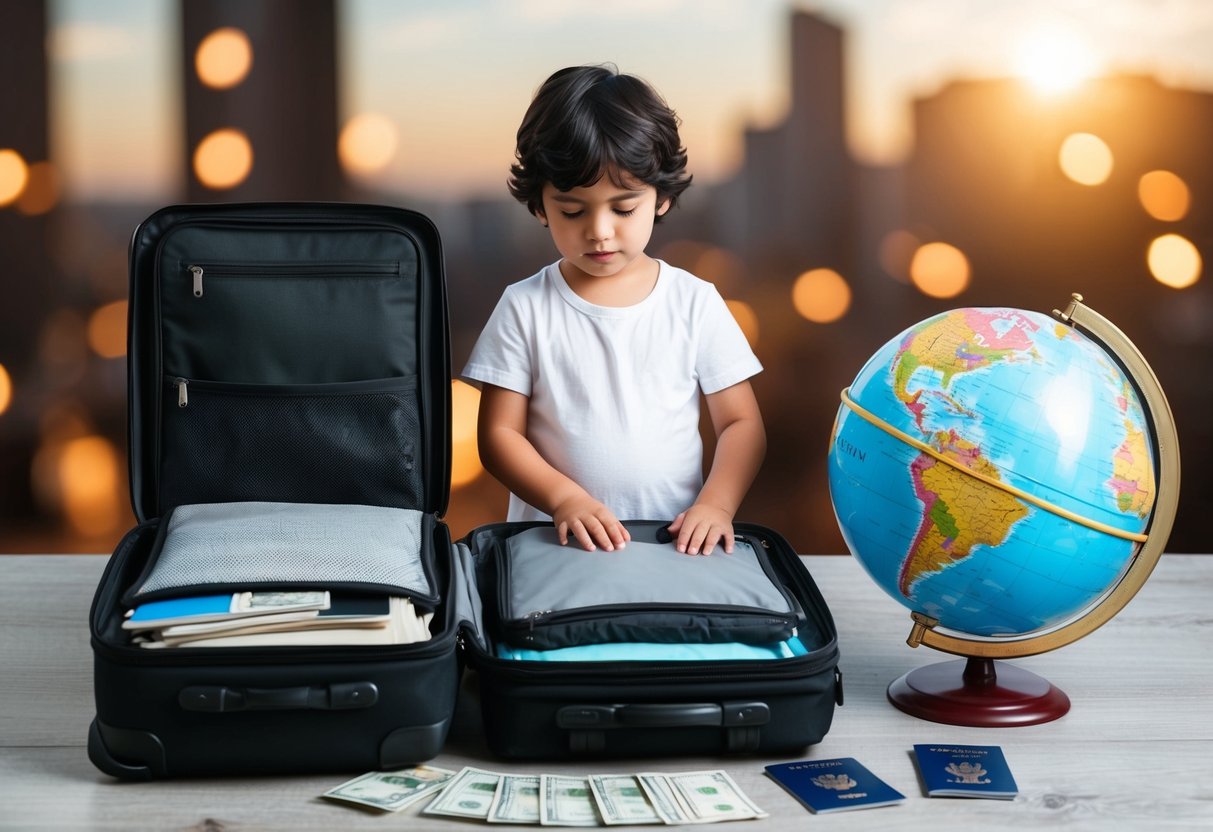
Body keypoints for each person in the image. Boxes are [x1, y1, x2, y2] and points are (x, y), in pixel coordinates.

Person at [462, 65, 765, 556]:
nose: (599, 230)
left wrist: (717, 505)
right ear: (540, 206)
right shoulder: (524, 307)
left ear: (661, 197)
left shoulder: (694, 301)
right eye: (573, 210)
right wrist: (564, 499)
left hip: (674, 546)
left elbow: (741, 424)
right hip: (551, 545)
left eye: (622, 209)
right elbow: (498, 434)